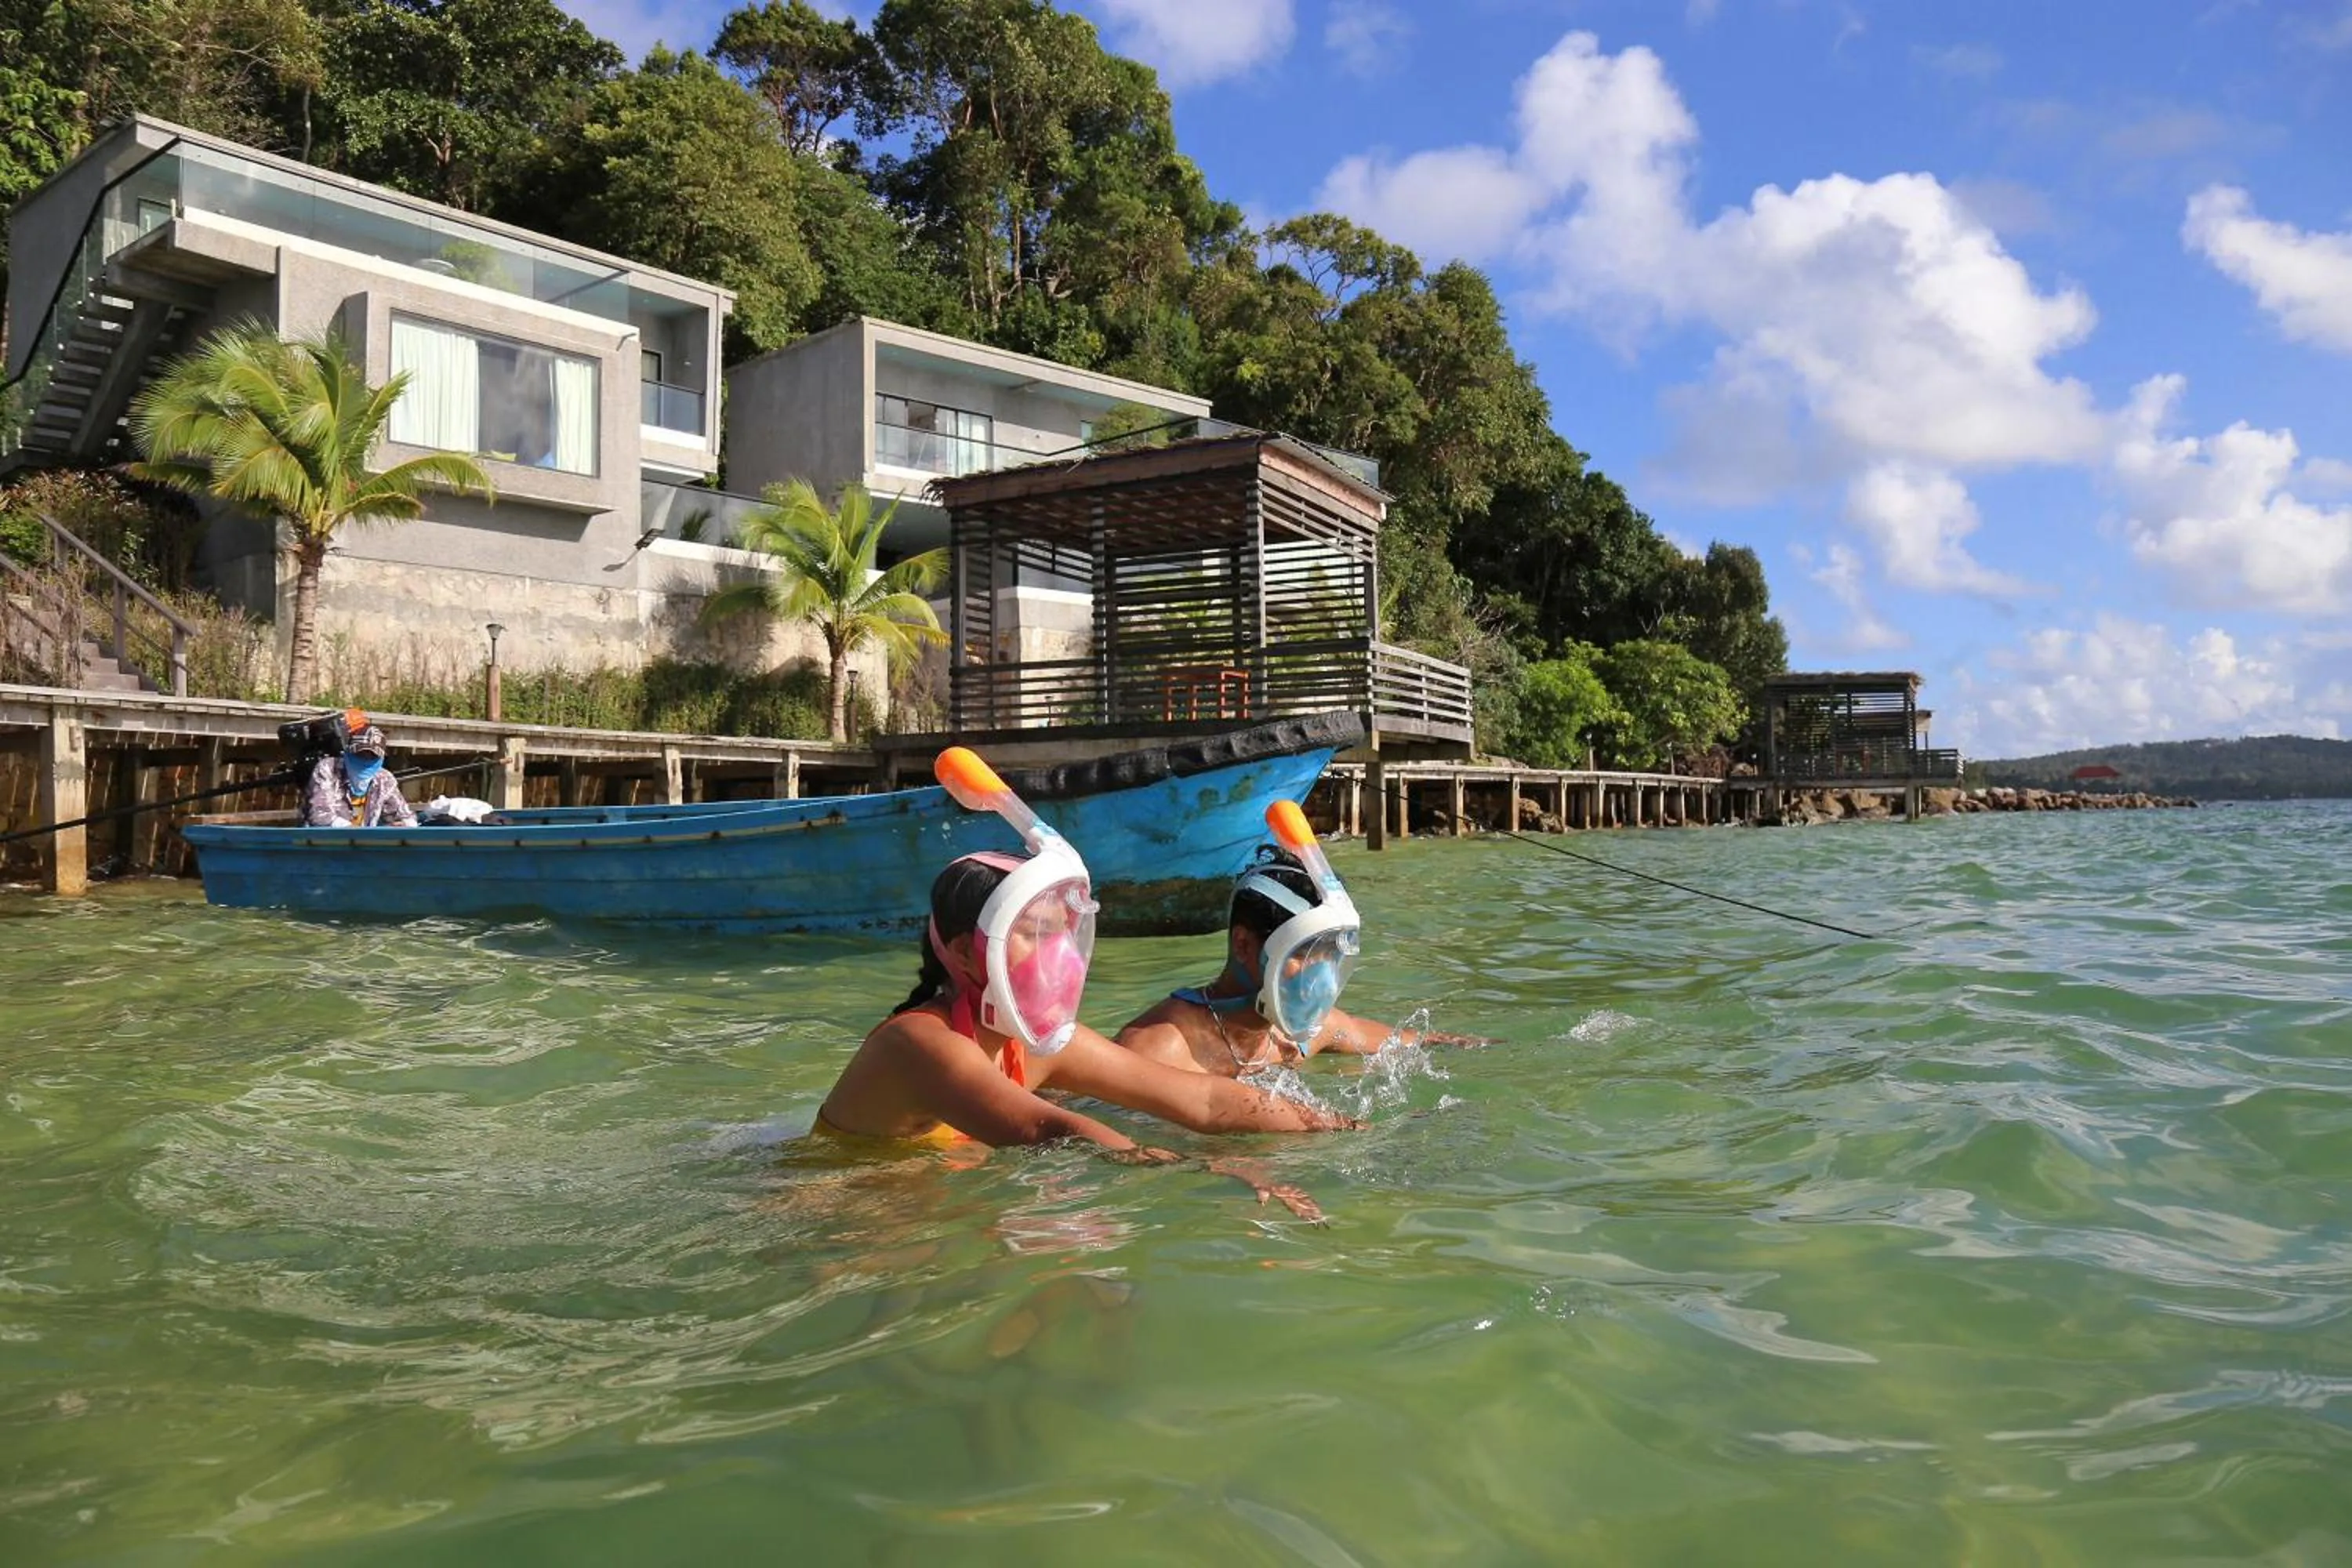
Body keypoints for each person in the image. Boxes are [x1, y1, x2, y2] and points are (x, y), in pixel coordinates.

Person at [816, 751, 1356, 1214]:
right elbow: (1044, 1130)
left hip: (925, 1206)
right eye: (1034, 934)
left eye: (1061, 933)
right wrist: (1201, 1167)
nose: (1058, 954)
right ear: (965, 951)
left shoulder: (1039, 1045)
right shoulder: (919, 1042)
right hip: (840, 1215)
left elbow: (1206, 1099)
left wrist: (1334, 1127)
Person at [1116, 802, 1483, 1076]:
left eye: (1330, 953)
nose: (1321, 974)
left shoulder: (1301, 1032)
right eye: (1304, 952)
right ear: (1243, 945)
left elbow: (1412, 1042)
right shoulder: (1159, 1048)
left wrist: (1476, 1046)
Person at [300, 724, 416, 828]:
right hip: (324, 841)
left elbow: (405, 816)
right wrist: (350, 828)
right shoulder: (328, 769)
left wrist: (405, 824)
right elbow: (319, 814)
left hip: (364, 842)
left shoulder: (385, 779)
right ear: (348, 752)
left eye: (372, 757)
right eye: (360, 754)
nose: (365, 760)